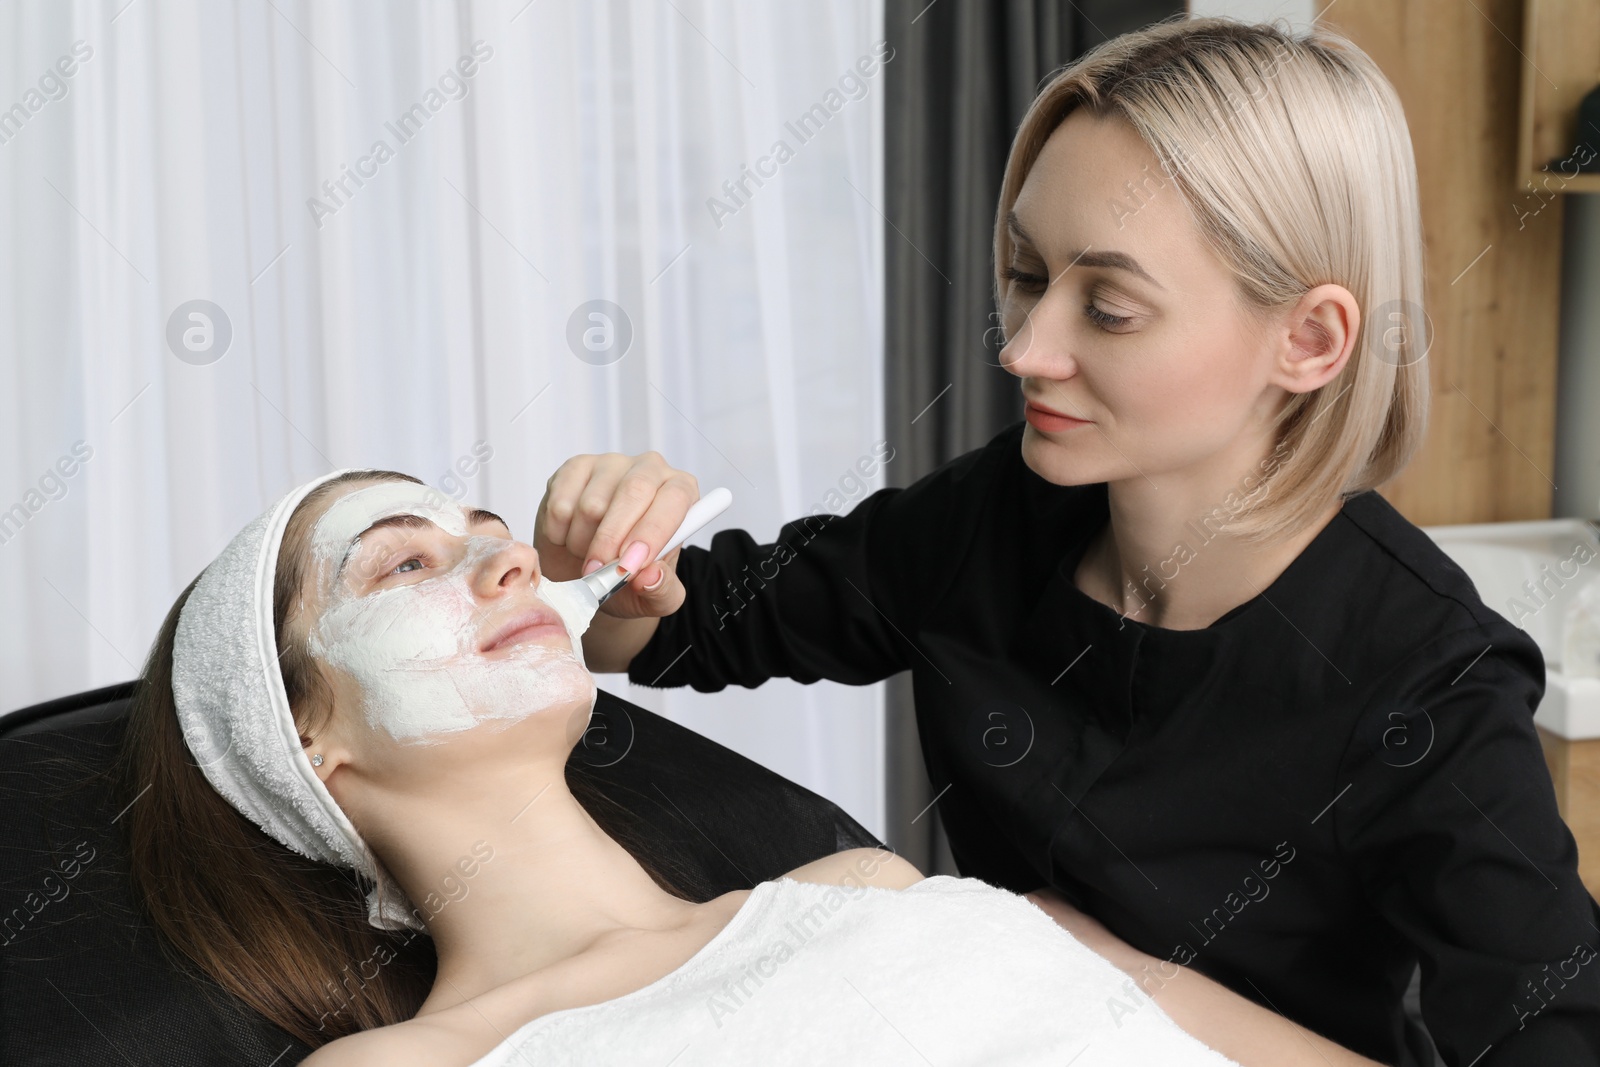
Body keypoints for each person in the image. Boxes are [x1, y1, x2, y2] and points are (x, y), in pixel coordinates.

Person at [533, 17, 1600, 1067]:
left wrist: (1117, 973)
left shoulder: (1427, 682)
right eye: (1028, 275)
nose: (1026, 348)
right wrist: (617, 564)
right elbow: (669, 636)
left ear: (1307, 339)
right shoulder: (996, 519)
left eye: (1112, 307)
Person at [116, 469, 1385, 1066]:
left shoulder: (875, 888)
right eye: (403, 563)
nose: (504, 563)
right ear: (305, 742)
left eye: (493, 537)